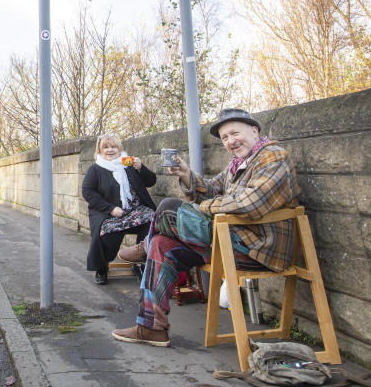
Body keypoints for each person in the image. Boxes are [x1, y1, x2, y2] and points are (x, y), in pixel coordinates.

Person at [111, 108, 300, 346]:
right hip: (230, 241)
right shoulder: (238, 164)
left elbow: (250, 204)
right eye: (225, 138)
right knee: (162, 244)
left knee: (169, 208)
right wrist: (187, 174)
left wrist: (202, 209)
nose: (231, 141)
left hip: (257, 249)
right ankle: (151, 327)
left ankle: (144, 245)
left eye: (234, 133)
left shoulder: (273, 157)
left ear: (254, 131)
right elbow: (210, 189)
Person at [81, 133, 158, 285]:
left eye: (113, 147)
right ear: (99, 150)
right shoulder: (95, 169)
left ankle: (140, 263)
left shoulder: (128, 165)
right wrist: (110, 209)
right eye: (106, 147)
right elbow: (88, 192)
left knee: (151, 220)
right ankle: (102, 267)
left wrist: (141, 167)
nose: (110, 150)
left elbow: (151, 181)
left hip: (135, 210)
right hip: (110, 213)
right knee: (108, 235)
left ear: (119, 148)